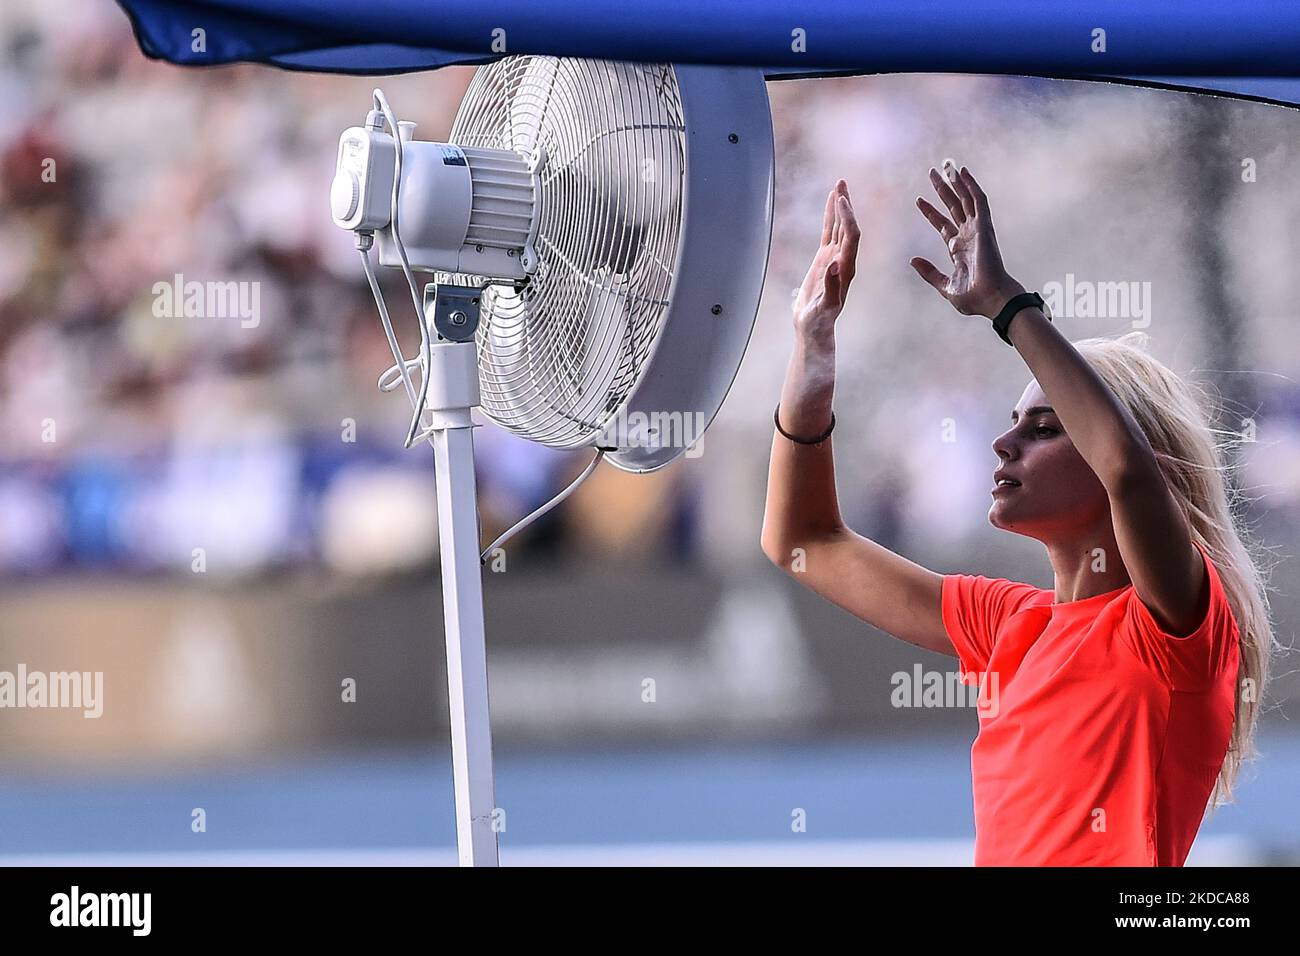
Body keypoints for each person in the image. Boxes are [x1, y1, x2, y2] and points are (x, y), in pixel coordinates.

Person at [761, 168, 1273, 866]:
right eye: (1013, 423)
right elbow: (803, 541)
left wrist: (1005, 303)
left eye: (1044, 427)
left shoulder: (1173, 624)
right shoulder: (1010, 625)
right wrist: (813, 348)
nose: (1003, 443)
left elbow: (1125, 468)